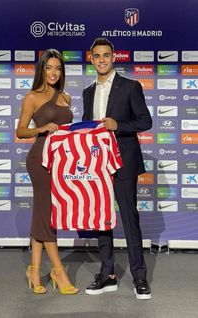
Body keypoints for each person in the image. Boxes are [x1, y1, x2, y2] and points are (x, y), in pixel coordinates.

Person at [82, 38, 153, 299]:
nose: (101, 60)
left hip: (123, 161)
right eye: (97, 56)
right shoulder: (87, 92)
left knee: (129, 219)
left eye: (106, 55)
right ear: (91, 59)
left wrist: (117, 125)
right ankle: (108, 274)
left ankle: (140, 278)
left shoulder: (131, 87)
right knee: (101, 219)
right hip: (97, 165)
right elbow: (89, 128)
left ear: (114, 58)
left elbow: (146, 121)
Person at [16, 49, 78, 295]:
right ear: (41, 69)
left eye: (58, 68)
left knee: (43, 213)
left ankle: (34, 269)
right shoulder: (32, 97)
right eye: (49, 67)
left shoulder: (67, 97)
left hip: (61, 161)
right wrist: (41, 128)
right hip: (40, 160)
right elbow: (21, 131)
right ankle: (59, 272)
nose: (54, 72)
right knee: (48, 214)